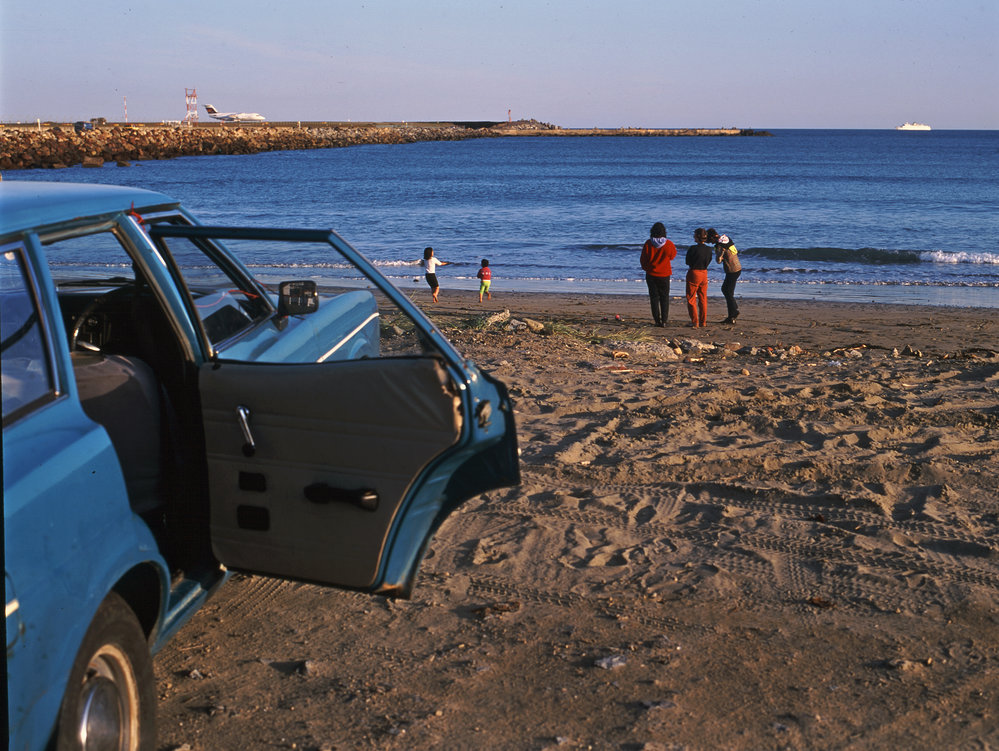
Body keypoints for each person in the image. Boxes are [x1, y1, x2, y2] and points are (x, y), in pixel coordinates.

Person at [639, 222, 677, 326]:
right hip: (664, 274)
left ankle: (657, 320)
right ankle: (664, 320)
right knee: (664, 297)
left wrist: (647, 268)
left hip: (651, 274)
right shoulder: (668, 244)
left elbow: (643, 259)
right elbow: (672, 256)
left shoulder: (648, 243)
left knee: (654, 298)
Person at [685, 228, 713, 327]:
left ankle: (694, 321)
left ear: (697, 236)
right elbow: (709, 261)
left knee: (691, 298)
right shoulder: (709, 249)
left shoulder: (692, 248)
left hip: (694, 272)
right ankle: (703, 321)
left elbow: (687, 262)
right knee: (703, 298)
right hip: (704, 272)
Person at [713, 232, 742, 324]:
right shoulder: (727, 240)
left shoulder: (719, 246)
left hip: (731, 270)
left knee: (726, 290)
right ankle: (732, 314)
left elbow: (718, 261)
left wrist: (719, 254)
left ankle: (733, 313)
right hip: (737, 268)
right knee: (728, 291)